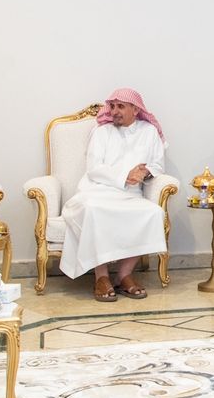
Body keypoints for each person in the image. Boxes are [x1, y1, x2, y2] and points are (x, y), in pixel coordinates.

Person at [60, 88, 170, 302]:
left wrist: (144, 173)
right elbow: (94, 168)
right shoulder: (102, 132)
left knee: (153, 213)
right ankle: (101, 277)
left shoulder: (149, 132)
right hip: (96, 191)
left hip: (130, 194)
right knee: (94, 211)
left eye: (121, 106)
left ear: (135, 110)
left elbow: (157, 164)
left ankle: (124, 275)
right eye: (112, 106)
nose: (114, 111)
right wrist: (125, 175)